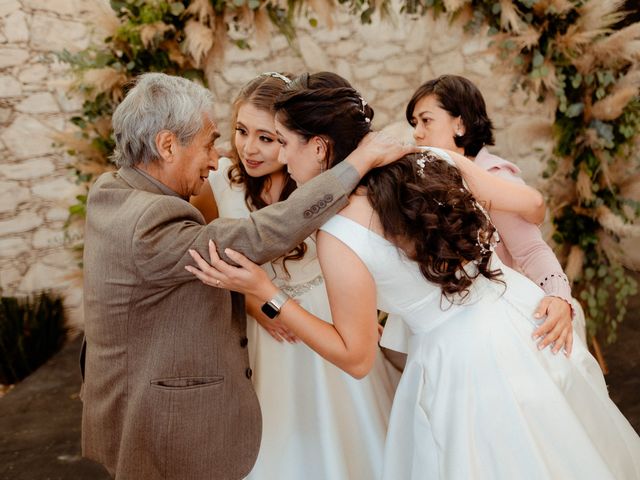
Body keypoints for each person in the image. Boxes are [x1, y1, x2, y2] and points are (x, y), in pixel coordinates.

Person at [187, 77, 640, 479]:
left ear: (320, 148)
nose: (280, 155)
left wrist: (265, 293)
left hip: (460, 363)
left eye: (283, 142)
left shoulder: (339, 234)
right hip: (518, 319)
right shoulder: (431, 159)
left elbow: (357, 356)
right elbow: (533, 205)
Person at [80, 72, 415, 479]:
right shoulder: (151, 218)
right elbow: (254, 237)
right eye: (210, 143)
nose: (216, 156)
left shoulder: (111, 190)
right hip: (159, 412)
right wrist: (358, 162)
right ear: (168, 145)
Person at [190, 72, 400, 480]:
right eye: (241, 131)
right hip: (263, 333)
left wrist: (364, 311)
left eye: (267, 138)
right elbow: (208, 265)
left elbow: (356, 254)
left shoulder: (318, 182)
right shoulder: (218, 186)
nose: (249, 149)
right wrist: (256, 304)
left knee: (349, 431)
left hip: (325, 315)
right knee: (278, 434)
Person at [406, 74, 585, 350]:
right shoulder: (430, 181)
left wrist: (559, 296)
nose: (417, 132)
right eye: (414, 123)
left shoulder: (493, 177)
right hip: (446, 326)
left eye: (426, 120)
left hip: (499, 322)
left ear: (460, 124)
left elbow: (531, 250)